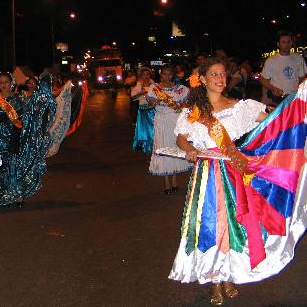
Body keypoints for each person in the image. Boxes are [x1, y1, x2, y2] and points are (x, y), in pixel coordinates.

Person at [169, 57, 307, 305]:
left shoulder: (240, 107)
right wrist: (189, 148)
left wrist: (298, 100)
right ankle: (214, 279)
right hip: (207, 175)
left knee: (233, 224)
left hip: (233, 172)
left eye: (223, 74)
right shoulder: (193, 113)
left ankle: (228, 274)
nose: (220, 79)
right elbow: (181, 138)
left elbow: (276, 120)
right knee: (210, 226)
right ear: (201, 79)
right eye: (213, 74)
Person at [0, 71, 56, 207]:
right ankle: (0, 196)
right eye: (1, 82)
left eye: (6, 82)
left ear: (11, 83)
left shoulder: (19, 99)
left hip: (14, 136)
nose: (4, 85)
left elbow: (30, 115)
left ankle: (16, 195)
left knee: (13, 165)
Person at [147, 64, 191, 194]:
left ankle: (174, 181)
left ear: (173, 75)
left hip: (176, 121)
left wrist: (180, 105)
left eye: (169, 74)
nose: (167, 76)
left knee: (175, 148)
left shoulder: (181, 89)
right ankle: (166, 182)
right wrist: (156, 100)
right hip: (162, 121)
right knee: (164, 148)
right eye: (164, 74)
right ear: (160, 74)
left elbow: (186, 105)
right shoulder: (155, 88)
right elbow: (150, 103)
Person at [260, 30, 307, 105]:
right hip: (278, 100)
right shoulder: (271, 60)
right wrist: (273, 89)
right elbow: (263, 79)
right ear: (278, 44)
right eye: (283, 42)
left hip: (294, 98)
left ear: (291, 43)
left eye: (289, 42)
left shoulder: (298, 58)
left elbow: (302, 78)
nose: (287, 44)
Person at [131, 67, 156, 154]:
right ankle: (147, 150)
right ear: (141, 76)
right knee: (146, 131)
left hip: (154, 110)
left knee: (154, 130)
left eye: (147, 74)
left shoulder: (153, 84)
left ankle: (154, 149)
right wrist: (140, 93)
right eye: (144, 74)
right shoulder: (138, 85)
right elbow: (133, 97)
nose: (146, 76)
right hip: (144, 111)